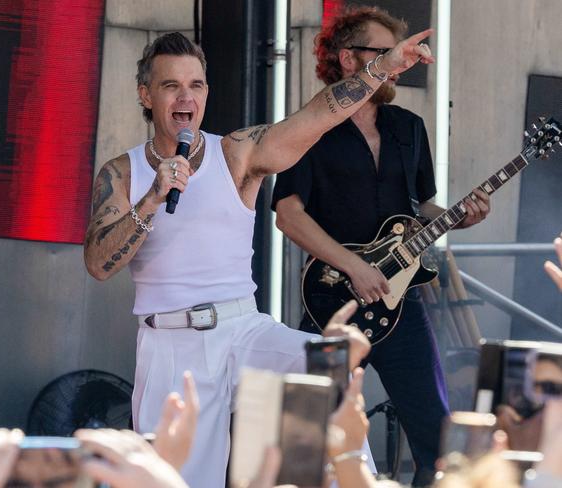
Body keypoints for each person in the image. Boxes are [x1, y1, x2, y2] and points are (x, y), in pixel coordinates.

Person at [83, 28, 433, 488]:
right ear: (146, 95)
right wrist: (151, 198)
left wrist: (382, 67)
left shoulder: (236, 153)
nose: (185, 96)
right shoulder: (123, 172)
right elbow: (98, 264)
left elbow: (316, 117)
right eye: (171, 86)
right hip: (169, 344)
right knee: (177, 480)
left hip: (241, 328)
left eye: (196, 85)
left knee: (322, 367)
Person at [271, 6, 489, 486]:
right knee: (304, 435)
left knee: (438, 440)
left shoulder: (408, 127)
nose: (402, 62)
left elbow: (421, 208)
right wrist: (354, 266)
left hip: (401, 302)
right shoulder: (311, 127)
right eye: (388, 54)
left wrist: (462, 216)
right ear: (349, 60)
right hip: (332, 301)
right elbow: (287, 214)